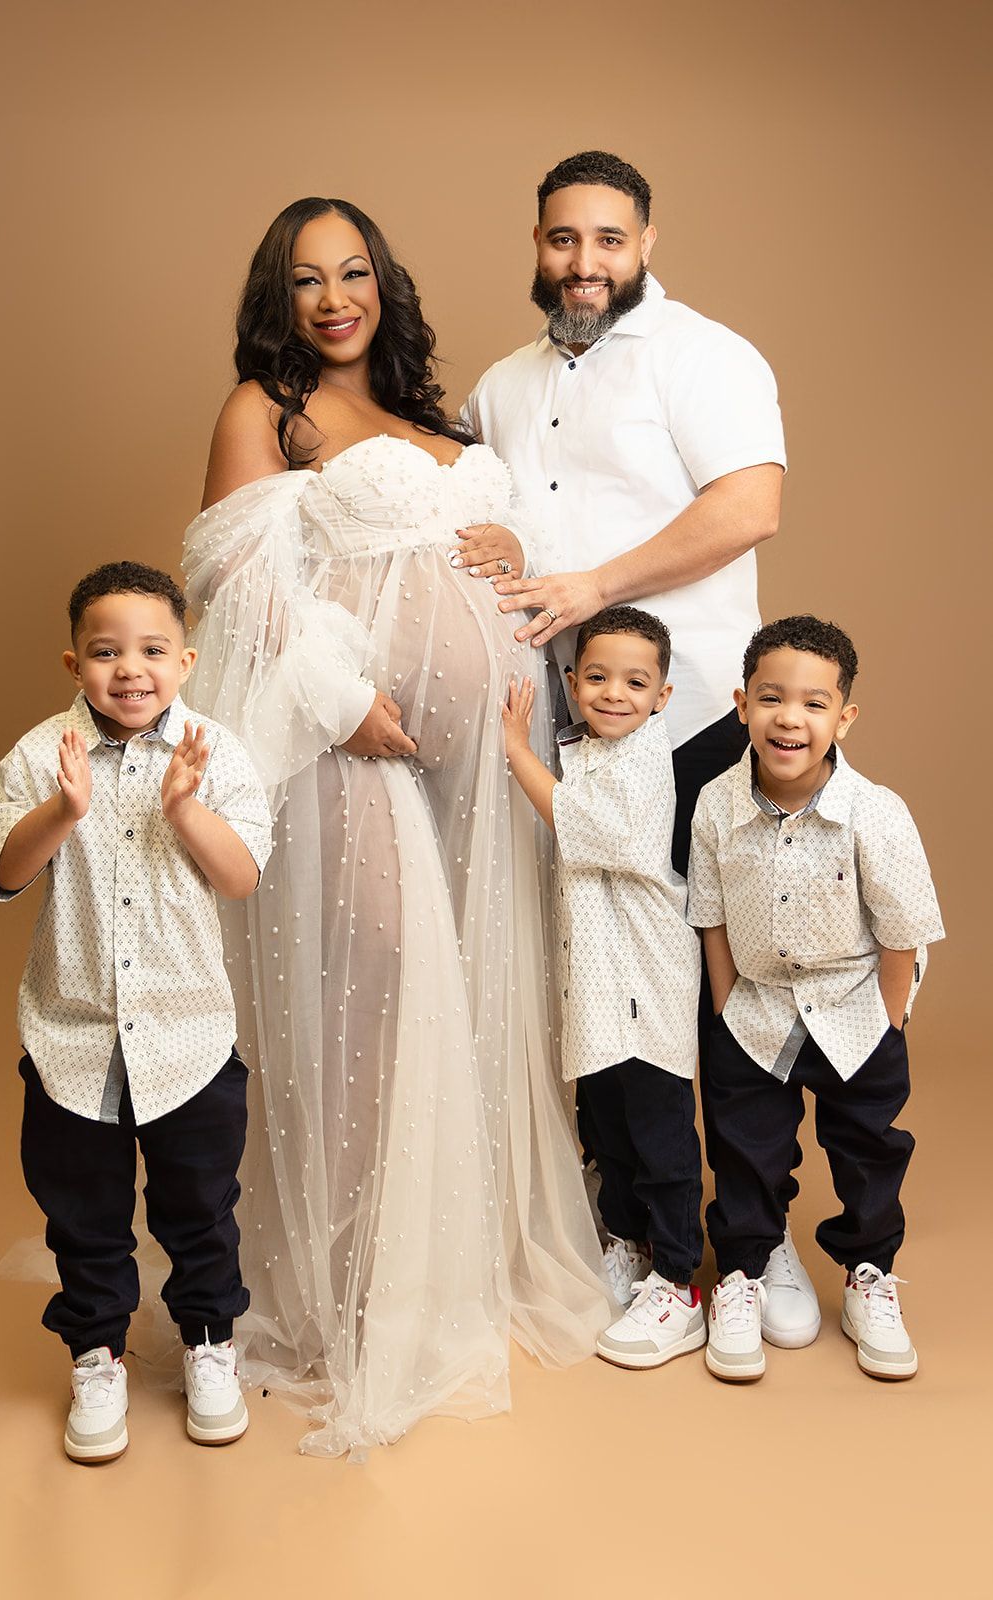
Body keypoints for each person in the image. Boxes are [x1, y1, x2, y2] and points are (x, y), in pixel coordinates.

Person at [182, 197, 611, 1457]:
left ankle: (446, 1260)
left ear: (383, 283)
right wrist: (341, 700)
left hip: (478, 765)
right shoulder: (265, 412)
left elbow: (461, 556)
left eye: (353, 271)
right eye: (307, 279)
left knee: (470, 989)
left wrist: (505, 538)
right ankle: (353, 1287)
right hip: (341, 741)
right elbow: (236, 586)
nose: (333, 298)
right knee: (374, 985)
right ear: (279, 294)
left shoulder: (441, 418)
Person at [462, 146, 791, 1265]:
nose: (583, 261)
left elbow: (751, 504)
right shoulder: (501, 384)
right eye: (562, 238)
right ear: (537, 245)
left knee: (711, 974)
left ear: (645, 243)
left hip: (688, 714)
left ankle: (752, 1232)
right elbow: (478, 514)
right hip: (561, 730)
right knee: (592, 972)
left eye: (608, 239)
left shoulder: (703, 356)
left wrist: (593, 585)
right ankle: (621, 1215)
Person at [0, 562, 274, 1462]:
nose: (130, 670)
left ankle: (209, 1344)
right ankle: (96, 1354)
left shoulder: (215, 751)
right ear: (75, 664)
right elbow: (6, 869)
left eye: (151, 651)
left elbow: (241, 877)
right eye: (106, 653)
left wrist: (183, 810)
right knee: (85, 1212)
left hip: (188, 1034)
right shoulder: (39, 755)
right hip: (71, 1035)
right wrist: (66, 810)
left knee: (199, 1207)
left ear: (185, 660)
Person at [687, 616, 944, 1382]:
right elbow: (711, 916)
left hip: (855, 1010)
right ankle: (743, 1271)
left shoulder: (876, 811)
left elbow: (903, 932)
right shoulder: (714, 805)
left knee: (868, 1153)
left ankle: (867, 1273)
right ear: (741, 705)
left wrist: (887, 1021)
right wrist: (729, 1009)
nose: (788, 718)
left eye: (812, 703)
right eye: (770, 698)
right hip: (755, 1012)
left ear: (843, 716)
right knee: (743, 1148)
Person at [502, 607, 706, 1369]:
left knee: (658, 1136)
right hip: (593, 982)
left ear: (661, 696)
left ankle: (679, 1282)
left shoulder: (646, 758)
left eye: (634, 682)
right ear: (573, 683)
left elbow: (584, 829)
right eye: (596, 677)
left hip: (641, 979)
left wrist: (515, 751)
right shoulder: (585, 747)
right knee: (607, 1128)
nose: (613, 693)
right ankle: (627, 1242)